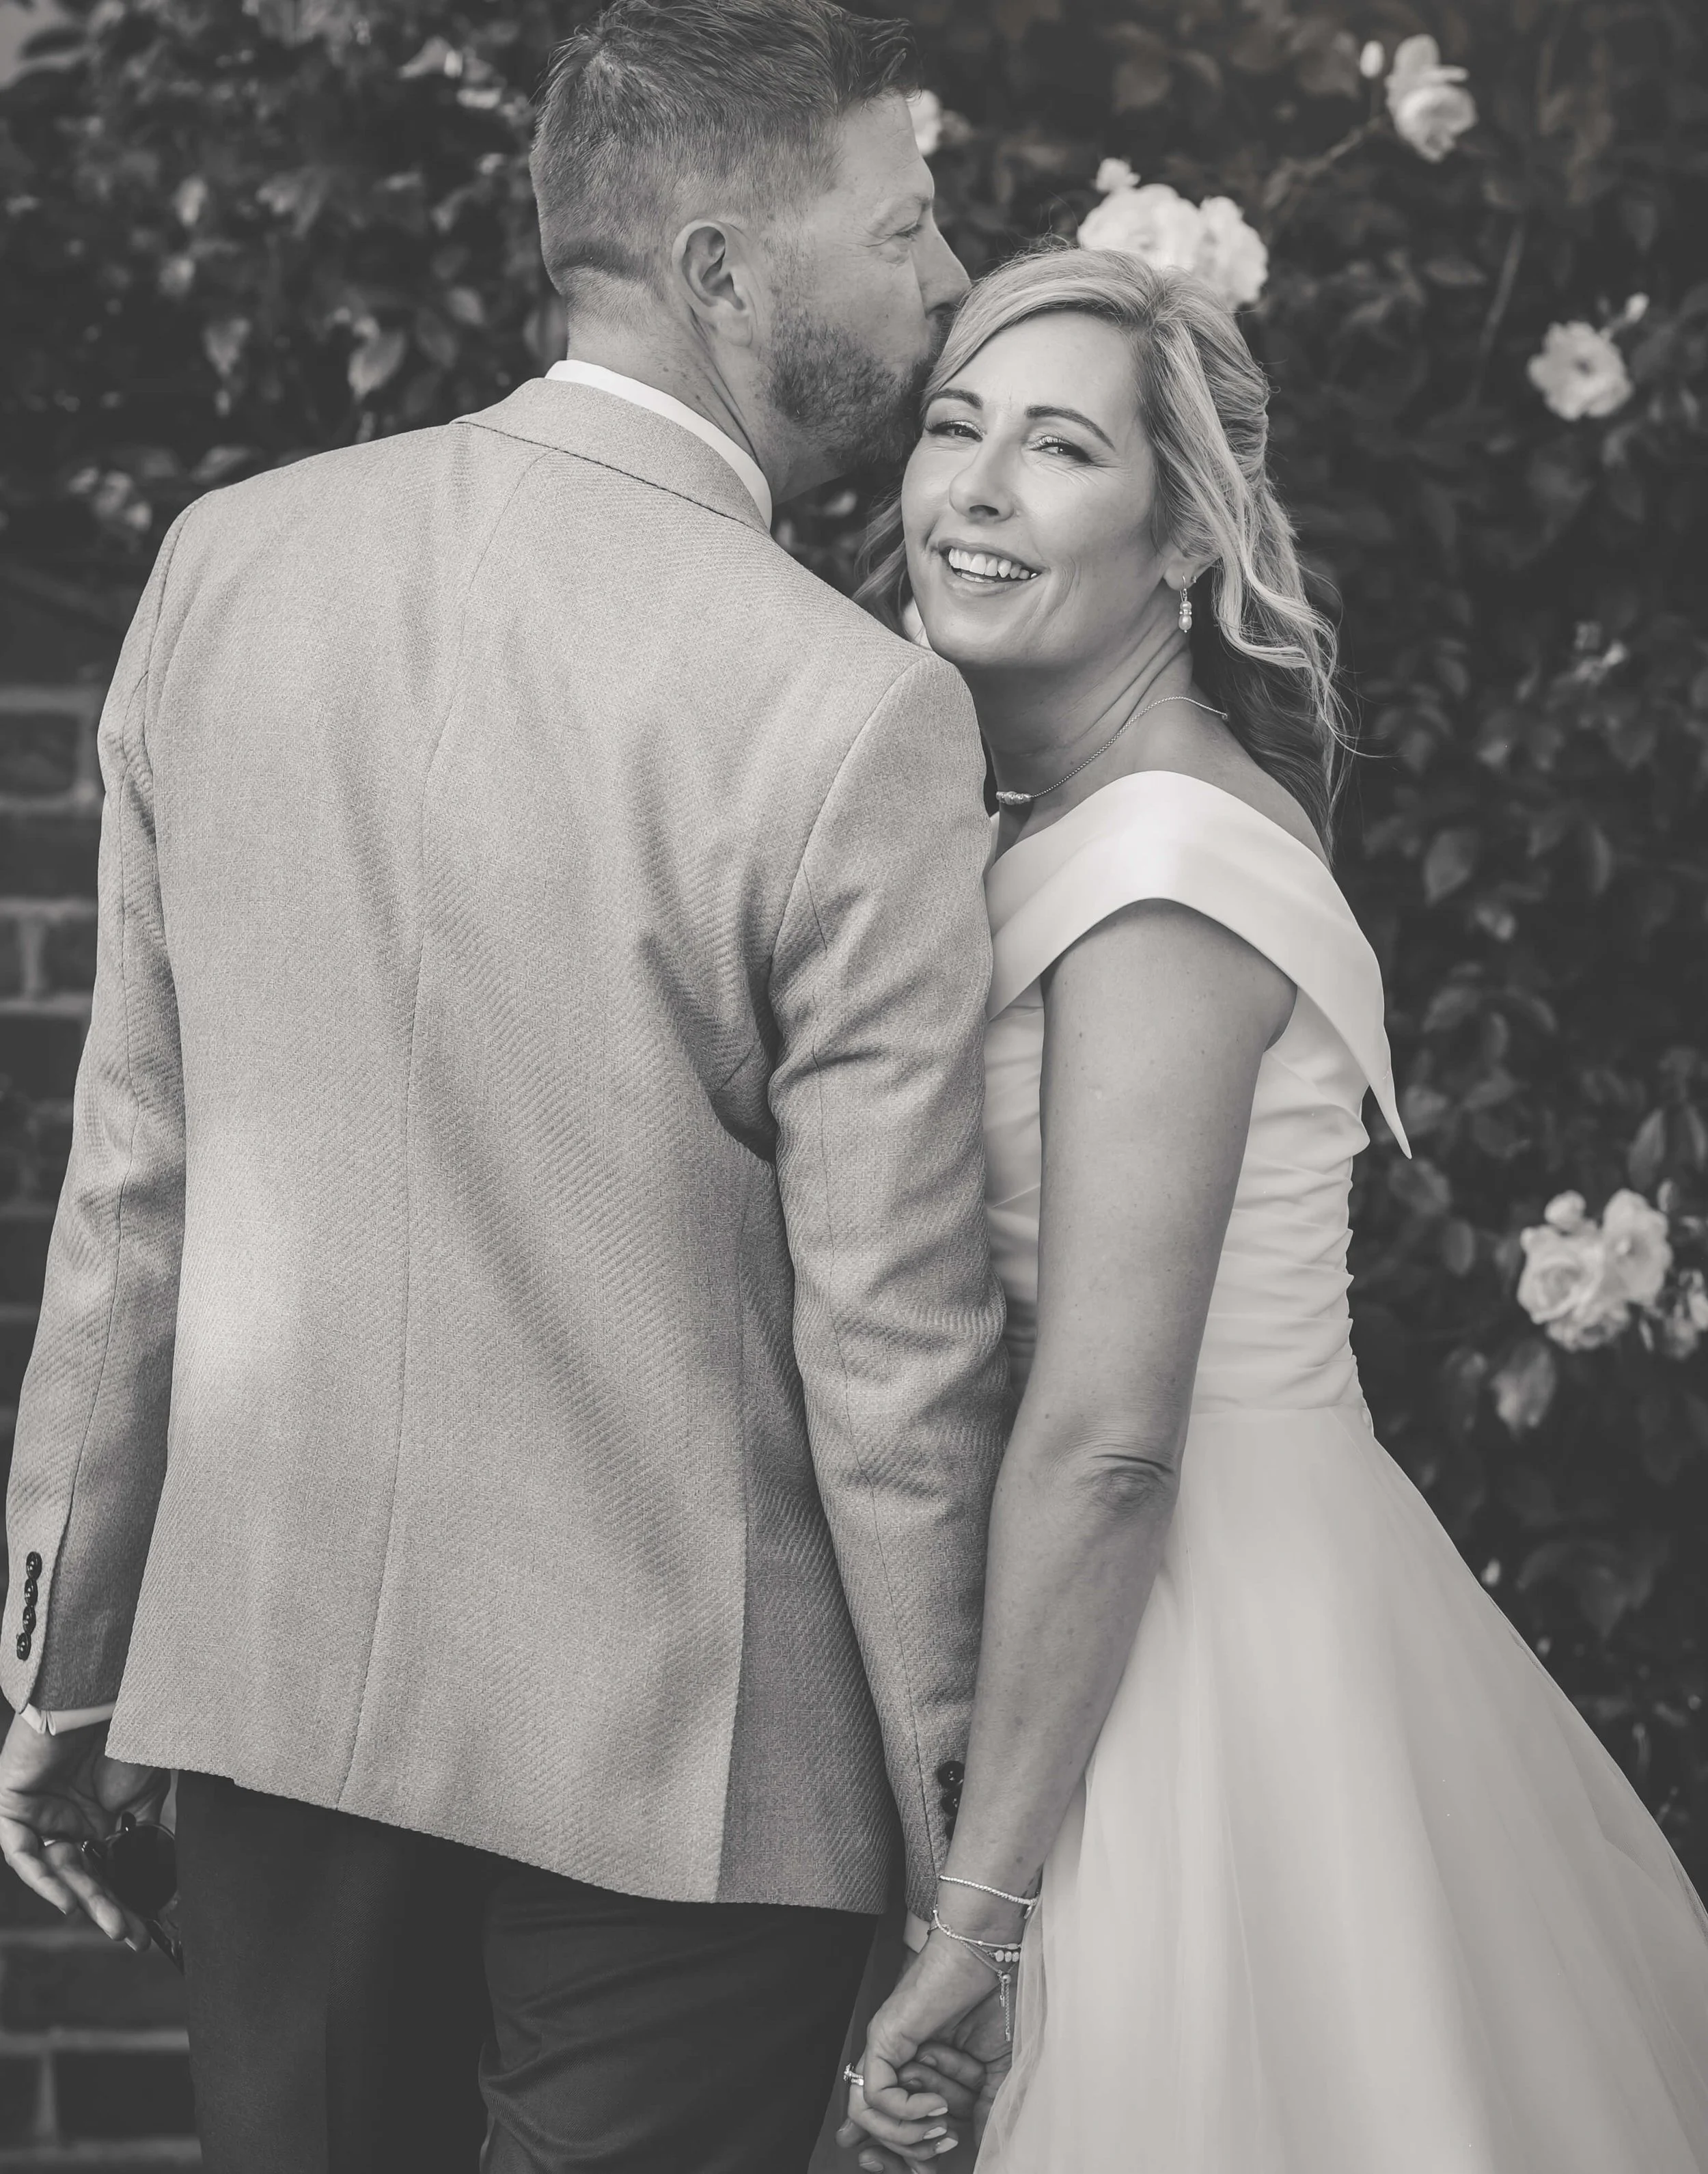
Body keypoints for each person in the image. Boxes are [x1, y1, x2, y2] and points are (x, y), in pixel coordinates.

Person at [0, 3, 1011, 2167]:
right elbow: (892, 1352)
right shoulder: (851, 716)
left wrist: (59, 1668)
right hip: (693, 1793)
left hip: (273, 1719)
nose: (940, 284)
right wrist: (966, 1847)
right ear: (723, 272)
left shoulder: (233, 565)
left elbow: (135, 1191)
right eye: (904, 225)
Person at [838, 245, 1708, 2173]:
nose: (971, 488)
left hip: (1189, 1657)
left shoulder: (1155, 863)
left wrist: (974, 1923)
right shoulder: (1059, 813)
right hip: (1127, 1610)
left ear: (1176, 542)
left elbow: (1112, 1435)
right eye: (951, 426)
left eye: (1057, 447)